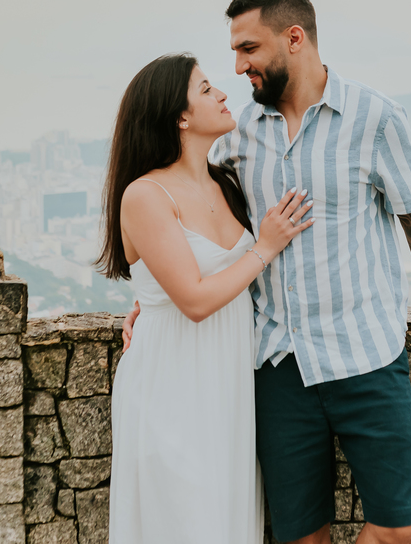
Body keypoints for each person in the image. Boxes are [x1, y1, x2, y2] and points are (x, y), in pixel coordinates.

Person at [124, 0, 411, 544]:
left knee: (397, 527)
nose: (239, 66)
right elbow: (186, 217)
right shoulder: (238, 132)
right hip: (278, 365)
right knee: (300, 537)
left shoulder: (375, 117)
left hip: (365, 354)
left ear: (294, 38)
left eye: (248, 49)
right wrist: (149, 296)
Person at [99, 53, 314, 544]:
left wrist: (146, 303)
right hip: (172, 384)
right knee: (182, 521)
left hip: (229, 387)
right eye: (205, 89)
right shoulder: (146, 195)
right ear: (180, 116)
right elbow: (193, 300)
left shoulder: (226, 181)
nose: (222, 94)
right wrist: (264, 246)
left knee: (225, 523)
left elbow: (216, 280)